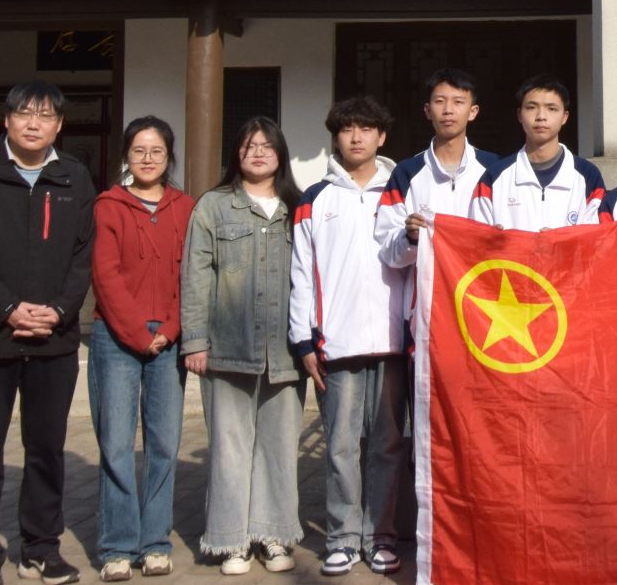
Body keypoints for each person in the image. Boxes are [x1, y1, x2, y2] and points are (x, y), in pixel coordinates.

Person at [0, 80, 95, 585]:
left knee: (46, 450)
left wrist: (61, 310)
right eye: (25, 113)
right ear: (6, 119)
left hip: (53, 337)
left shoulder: (73, 176)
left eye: (45, 115)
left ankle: (41, 549)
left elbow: (84, 254)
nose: (34, 123)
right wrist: (6, 308)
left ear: (59, 125)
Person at [290, 97, 410, 577]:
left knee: (386, 445)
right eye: (347, 129)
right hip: (335, 344)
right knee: (340, 447)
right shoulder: (314, 198)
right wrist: (304, 340)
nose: (356, 137)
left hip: (391, 341)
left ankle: (380, 536)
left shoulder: (402, 192)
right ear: (335, 137)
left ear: (382, 136)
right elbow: (302, 273)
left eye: (366, 129)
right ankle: (341, 537)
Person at [182, 117, 305, 576]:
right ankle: (232, 540)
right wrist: (195, 340)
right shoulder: (213, 207)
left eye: (267, 146)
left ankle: (272, 535)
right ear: (236, 153)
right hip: (227, 349)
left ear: (280, 154)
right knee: (229, 449)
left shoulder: (298, 207)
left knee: (278, 447)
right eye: (249, 145)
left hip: (285, 352)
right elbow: (195, 277)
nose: (258, 153)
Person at [88, 117, 192, 581]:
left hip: (169, 337)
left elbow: (193, 274)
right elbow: (105, 275)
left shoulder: (185, 207)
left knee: (164, 443)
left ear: (169, 156)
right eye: (139, 151)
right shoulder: (108, 206)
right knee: (115, 443)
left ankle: (154, 543)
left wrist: (169, 329)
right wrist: (136, 332)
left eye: (157, 151)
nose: (147, 159)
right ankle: (117, 546)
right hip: (115, 336)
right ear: (126, 156)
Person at [376, 70, 505, 271]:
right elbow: (387, 251)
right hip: (427, 288)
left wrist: (500, 238)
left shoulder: (495, 169)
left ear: (473, 111)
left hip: (480, 285)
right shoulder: (406, 172)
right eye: (439, 101)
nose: (448, 110)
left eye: (458, 102)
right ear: (427, 111)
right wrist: (410, 238)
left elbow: (514, 232)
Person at [470, 77, 605, 230]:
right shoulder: (495, 176)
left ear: (564, 117)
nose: (541, 116)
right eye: (531, 107)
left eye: (551, 109)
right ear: (519, 115)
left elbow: (597, 237)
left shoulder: (588, 176)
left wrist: (559, 240)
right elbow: (477, 235)